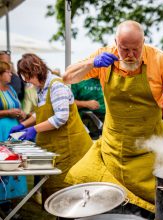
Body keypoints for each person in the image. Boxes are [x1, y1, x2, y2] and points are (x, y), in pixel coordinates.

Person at [62, 20, 163, 218]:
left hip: (149, 152)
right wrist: (91, 63)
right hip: (113, 150)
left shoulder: (160, 60)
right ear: (115, 43)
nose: (130, 55)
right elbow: (67, 77)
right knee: (84, 182)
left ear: (144, 42)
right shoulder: (103, 55)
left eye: (135, 49)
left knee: (162, 202)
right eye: (124, 49)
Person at [9, 53, 93, 204]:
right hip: (57, 148)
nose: (27, 81)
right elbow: (40, 113)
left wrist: (33, 130)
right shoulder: (41, 88)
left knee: (69, 195)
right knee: (56, 195)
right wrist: (23, 125)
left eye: (28, 77)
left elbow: (60, 117)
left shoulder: (57, 86)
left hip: (70, 148)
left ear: (35, 70)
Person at [0, 61, 27, 218]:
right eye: (8, 72)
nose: (11, 74)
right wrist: (7, 112)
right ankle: (2, 203)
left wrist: (21, 114)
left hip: (13, 131)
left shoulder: (10, 89)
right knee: (2, 166)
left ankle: (9, 202)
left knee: (13, 165)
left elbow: (17, 106)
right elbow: (8, 110)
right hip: (0, 130)